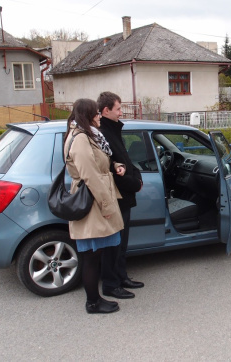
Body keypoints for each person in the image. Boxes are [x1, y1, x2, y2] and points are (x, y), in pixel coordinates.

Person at [64, 98, 125, 314]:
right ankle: (92, 302)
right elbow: (89, 175)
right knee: (91, 256)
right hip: (92, 203)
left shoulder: (89, 135)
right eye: (97, 113)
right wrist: (107, 206)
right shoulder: (80, 138)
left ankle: (95, 299)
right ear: (89, 114)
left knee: (95, 254)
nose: (100, 116)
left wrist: (115, 165)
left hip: (95, 200)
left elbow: (99, 161)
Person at [97, 91, 144, 300]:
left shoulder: (113, 131)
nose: (121, 112)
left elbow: (125, 160)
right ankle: (110, 284)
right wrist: (134, 184)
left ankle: (121, 276)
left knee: (121, 242)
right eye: (118, 108)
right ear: (106, 110)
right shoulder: (103, 134)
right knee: (113, 244)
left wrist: (138, 178)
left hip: (124, 197)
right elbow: (111, 170)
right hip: (116, 197)